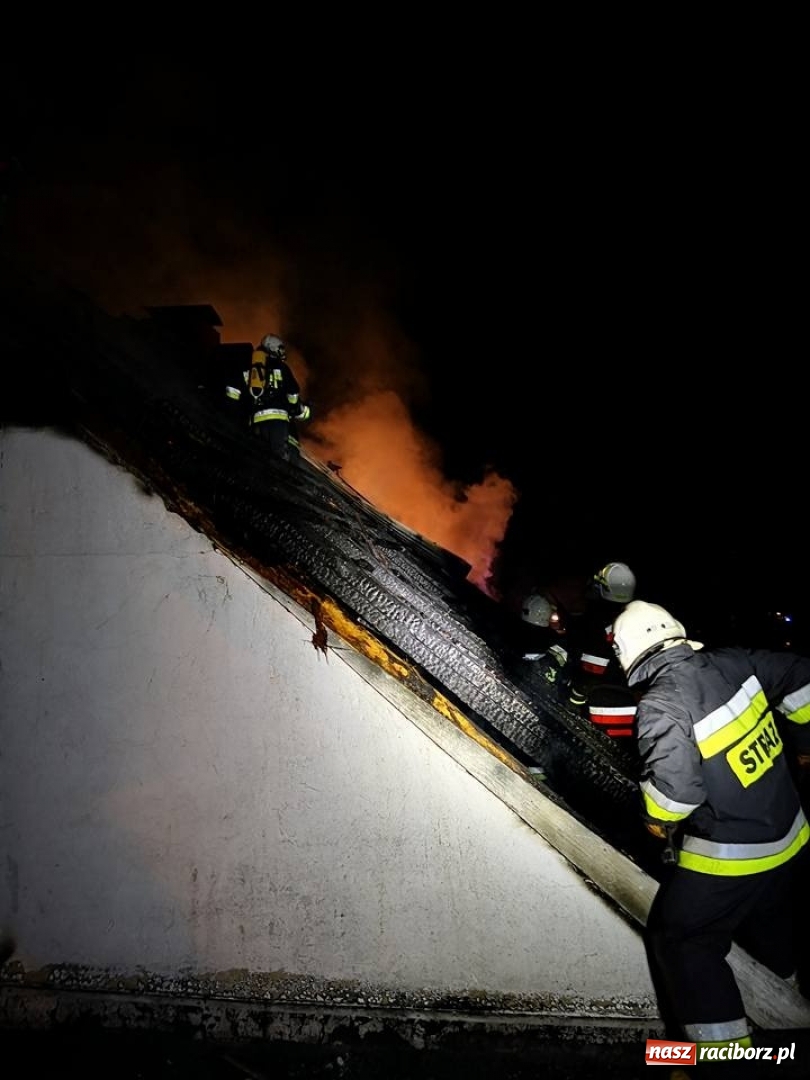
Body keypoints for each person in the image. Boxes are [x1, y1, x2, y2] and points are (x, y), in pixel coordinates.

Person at [611, 599, 810, 1057]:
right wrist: (802, 744)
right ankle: (787, 998)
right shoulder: (737, 661)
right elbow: (803, 677)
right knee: (768, 916)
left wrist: (654, 817)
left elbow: (675, 797)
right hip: (793, 837)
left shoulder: (662, 704)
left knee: (683, 940)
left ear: (628, 657)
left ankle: (727, 1059)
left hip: (736, 856)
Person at [559, 561, 638, 737]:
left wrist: (570, 705)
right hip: (641, 712)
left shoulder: (597, 625)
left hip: (609, 712)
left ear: (601, 589)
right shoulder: (637, 616)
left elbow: (589, 677)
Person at [225, 334, 311, 461]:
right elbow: (293, 394)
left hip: (255, 422)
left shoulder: (248, 368)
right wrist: (295, 408)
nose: (282, 352)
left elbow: (232, 392)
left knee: (261, 458)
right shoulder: (282, 368)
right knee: (280, 459)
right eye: (280, 348)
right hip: (278, 420)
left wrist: (235, 415)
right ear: (272, 348)